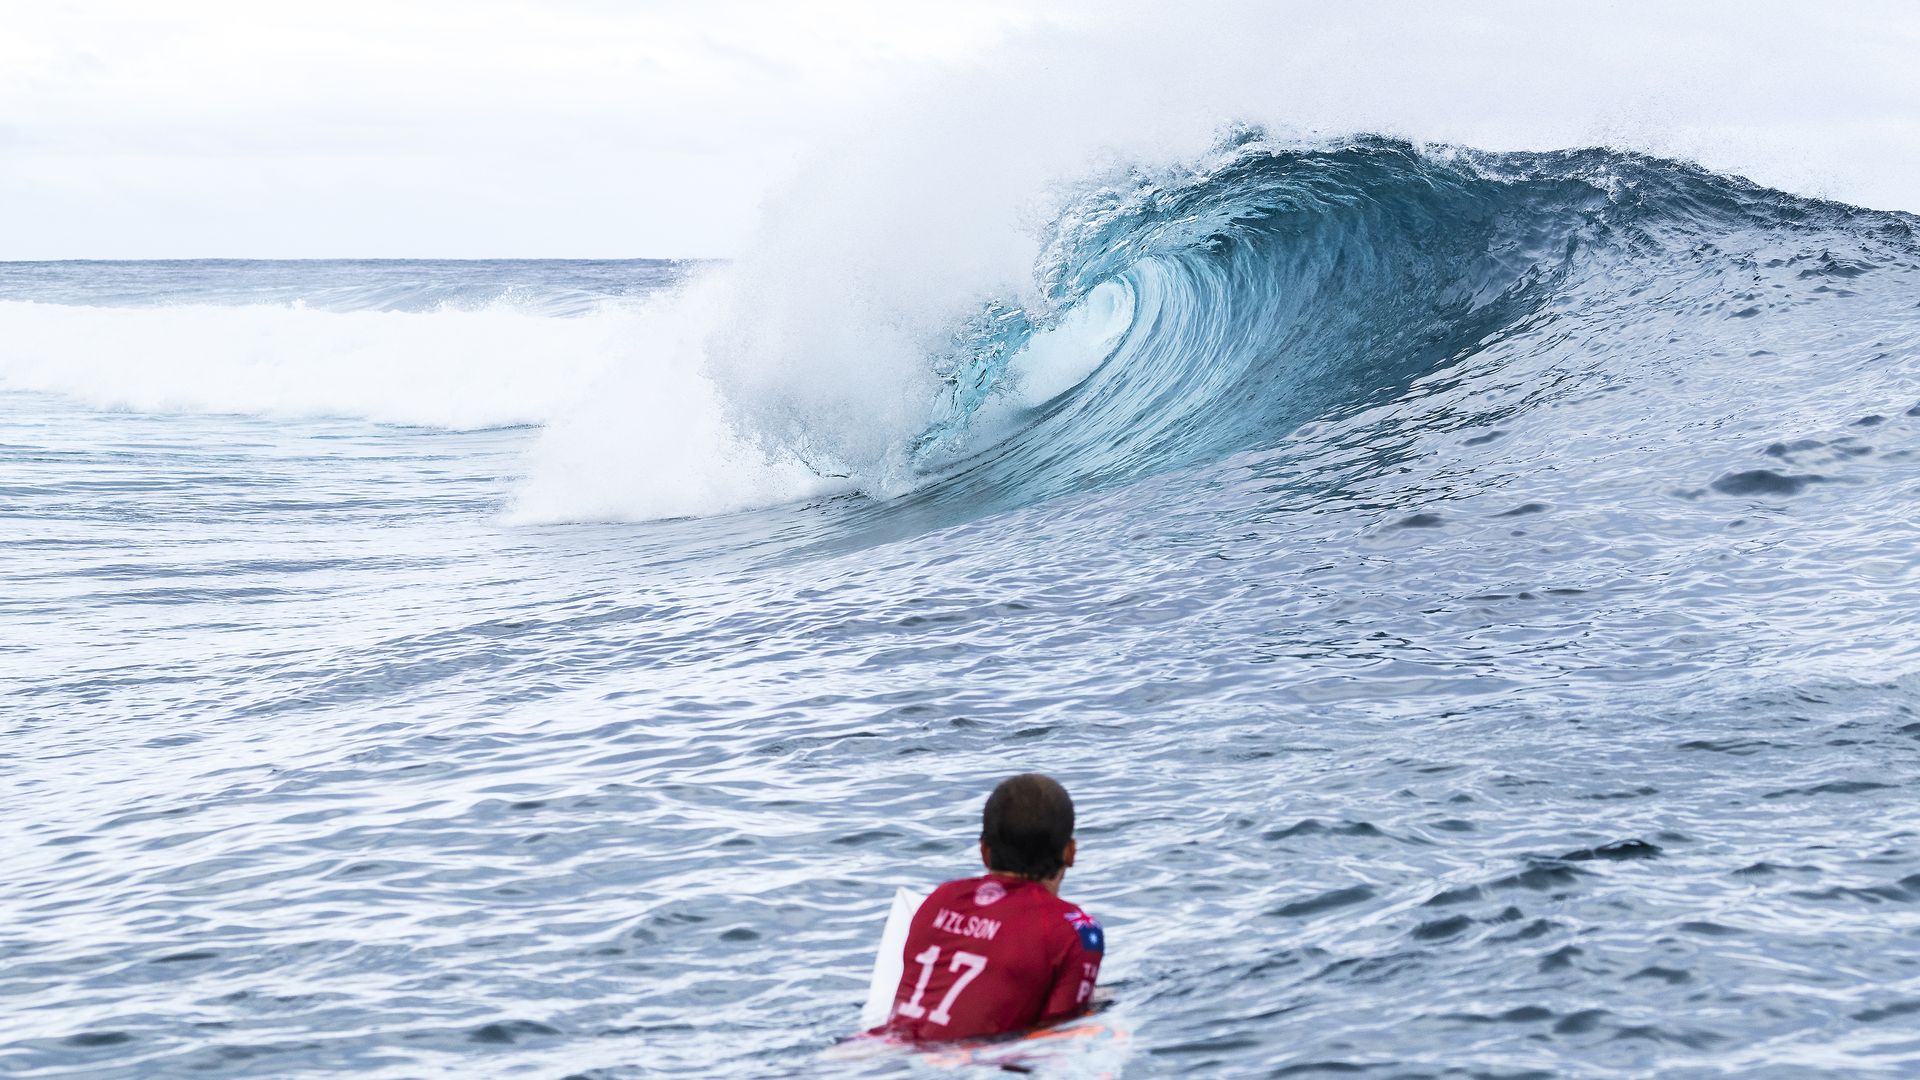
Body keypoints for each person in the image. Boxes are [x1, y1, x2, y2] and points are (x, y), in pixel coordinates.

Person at [875, 773, 1104, 1041]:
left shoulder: (939, 899)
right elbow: (1058, 1035)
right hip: (962, 1062)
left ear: (984, 851)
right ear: (1070, 852)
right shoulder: (1077, 929)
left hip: (875, 1047)